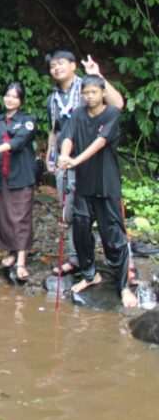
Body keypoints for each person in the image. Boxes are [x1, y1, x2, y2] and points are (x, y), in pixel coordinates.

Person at [59, 75, 137, 308]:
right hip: (84, 185)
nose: (90, 96)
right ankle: (91, 274)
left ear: (103, 93)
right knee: (80, 231)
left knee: (113, 236)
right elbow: (68, 137)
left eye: (94, 92)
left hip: (107, 186)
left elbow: (100, 142)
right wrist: (64, 154)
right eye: (86, 92)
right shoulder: (78, 114)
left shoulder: (111, 114)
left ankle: (123, 286)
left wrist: (74, 161)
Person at [45, 51, 124, 278]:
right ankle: (77, 258)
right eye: (52, 66)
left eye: (61, 63)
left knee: (107, 217)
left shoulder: (88, 86)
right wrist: (54, 156)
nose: (56, 68)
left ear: (72, 65)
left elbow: (117, 104)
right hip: (66, 160)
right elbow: (56, 129)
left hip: (94, 162)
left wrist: (96, 73)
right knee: (71, 212)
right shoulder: (53, 97)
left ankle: (122, 266)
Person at [0, 83, 37, 282]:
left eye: (15, 97)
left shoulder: (27, 119)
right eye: (7, 95)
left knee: (20, 216)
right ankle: (11, 252)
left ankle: (21, 260)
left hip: (21, 175)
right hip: (0, 176)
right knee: (3, 215)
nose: (10, 99)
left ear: (21, 100)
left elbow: (21, 140)